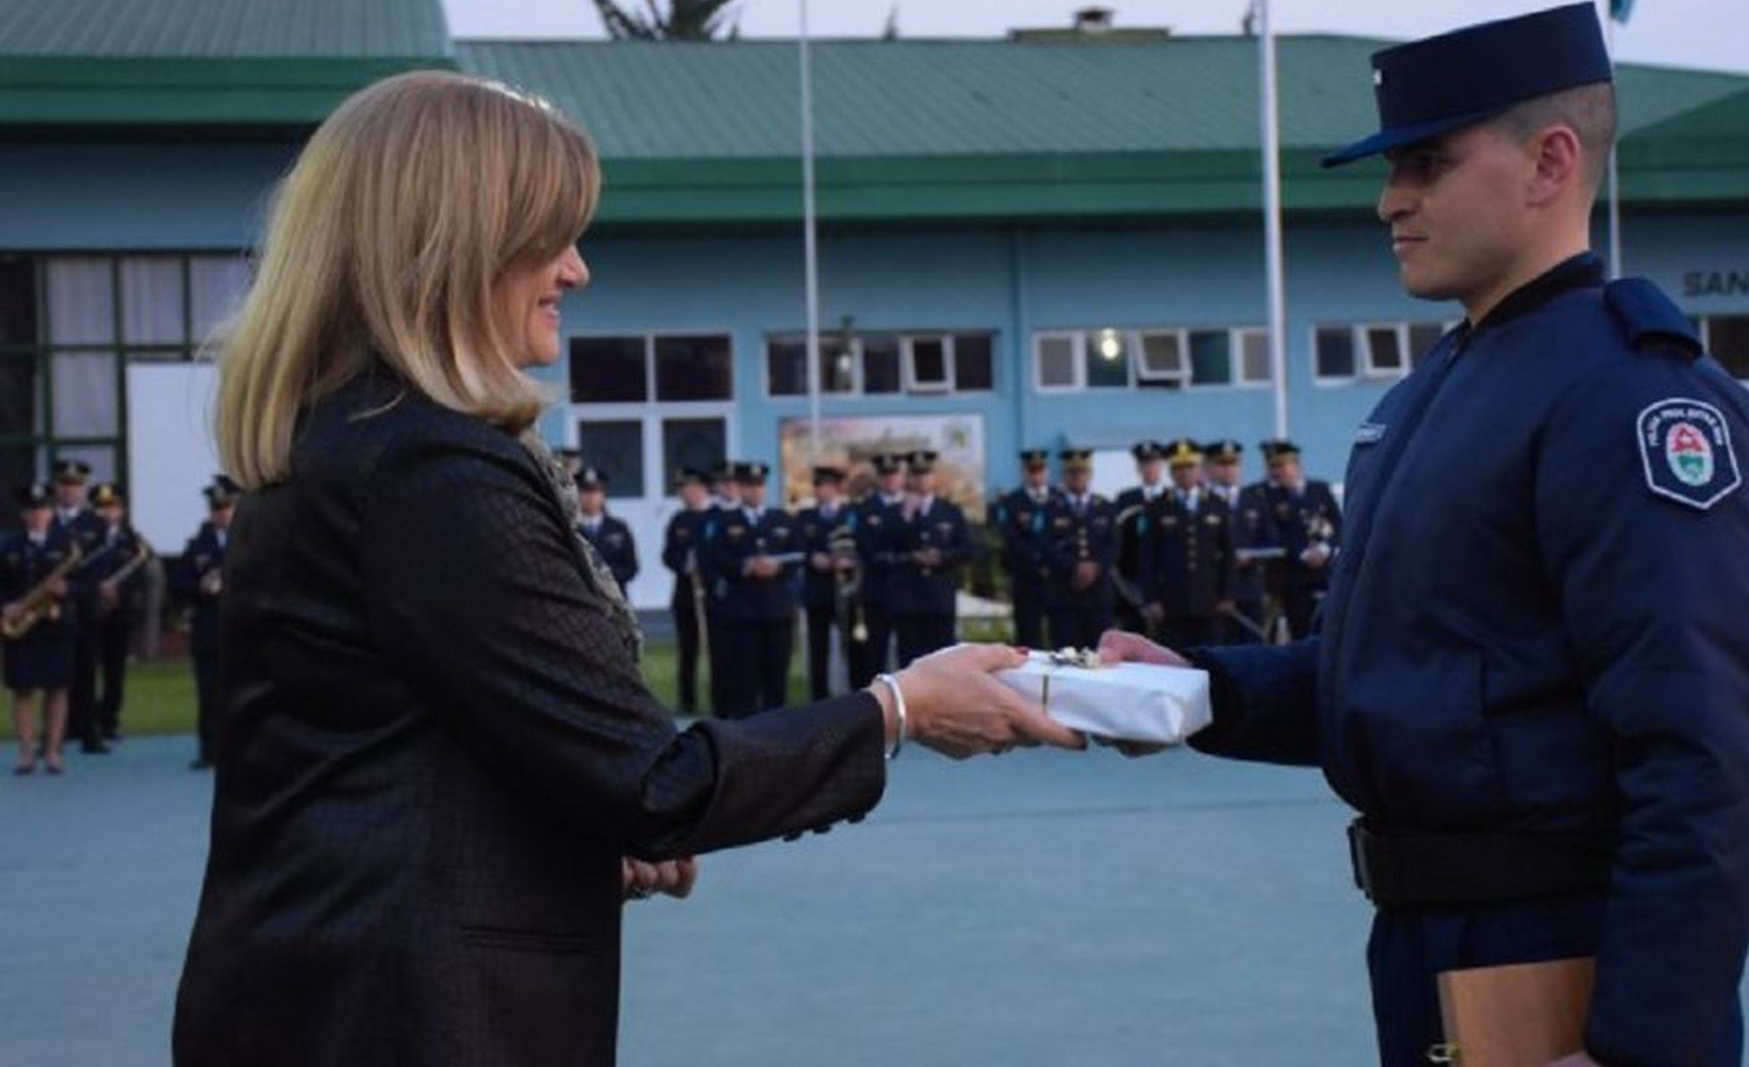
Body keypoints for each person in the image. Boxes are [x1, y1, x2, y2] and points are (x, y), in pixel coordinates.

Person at [171, 71, 1079, 1067]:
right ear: (452, 246)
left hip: (331, 986)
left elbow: (403, 753)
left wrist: (563, 837)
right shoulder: (427, 465)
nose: (577, 269)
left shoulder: (352, 439)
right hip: (406, 1013)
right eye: (549, 237)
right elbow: (653, 783)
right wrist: (901, 708)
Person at [1102, 3, 1749, 1066]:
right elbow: (1414, 676)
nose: (1391, 199)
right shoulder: (1443, 387)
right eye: (1394, 169)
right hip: (1435, 941)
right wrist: (1199, 689)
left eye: (1426, 164)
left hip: (1565, 951)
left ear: (1550, 161)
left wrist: (1641, 1043)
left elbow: (1711, 749)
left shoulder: (1628, 402)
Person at [704, 462, 801, 718]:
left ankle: (777, 728)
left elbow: (798, 554)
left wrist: (778, 567)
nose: (755, 491)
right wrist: (746, 567)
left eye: (759, 485)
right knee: (744, 678)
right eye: (749, 485)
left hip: (777, 610)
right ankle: (745, 730)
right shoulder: (725, 522)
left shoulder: (782, 520)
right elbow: (716, 558)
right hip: (743, 613)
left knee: (776, 677)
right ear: (740, 488)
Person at [2, 482, 76, 775]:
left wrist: (67, 589)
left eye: (43, 509)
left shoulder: (66, 545)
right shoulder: (10, 545)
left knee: (57, 688)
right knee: (23, 690)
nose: (38, 516)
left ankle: (53, 751)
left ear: (51, 512)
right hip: (22, 624)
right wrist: (6, 605)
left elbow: (85, 583)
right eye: (32, 510)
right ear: (24, 514)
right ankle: (26, 753)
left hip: (56, 625)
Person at [1138, 438, 1233, 651]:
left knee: (1210, 657)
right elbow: (1147, 558)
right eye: (1178, 468)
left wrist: (1227, 594)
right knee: (1173, 657)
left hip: (1209, 599)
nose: (1184, 473)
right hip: (1171, 601)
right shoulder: (1157, 507)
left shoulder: (1217, 504)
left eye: (1190, 467)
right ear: (1171, 471)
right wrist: (1151, 599)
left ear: (1200, 469)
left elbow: (1228, 554)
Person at [172, 476, 237, 771]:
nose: (221, 514)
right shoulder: (198, 545)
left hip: (242, 629)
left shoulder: (252, 539)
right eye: (216, 508)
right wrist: (200, 586)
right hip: (209, 630)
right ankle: (209, 750)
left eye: (226, 507)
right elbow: (178, 583)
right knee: (209, 694)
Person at [888, 450, 973, 666]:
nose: (921, 480)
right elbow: (886, 548)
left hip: (939, 599)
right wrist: (906, 518)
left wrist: (942, 557)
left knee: (943, 661)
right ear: (909, 479)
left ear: (933, 477)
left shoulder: (950, 511)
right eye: (916, 475)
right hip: (908, 600)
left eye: (925, 474)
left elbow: (966, 549)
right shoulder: (895, 512)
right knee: (909, 662)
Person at [1253, 440, 1342, 641]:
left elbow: (1338, 525)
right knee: (1300, 631)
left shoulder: (1319, 489)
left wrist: (1325, 549)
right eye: (1273, 467)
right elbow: (1272, 533)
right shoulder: (1266, 496)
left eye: (1281, 466)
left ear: (1295, 464)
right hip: (1292, 577)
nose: (1277, 472)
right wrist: (1302, 553)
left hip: (1324, 574)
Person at [49, 458, 109, 753]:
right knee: (54, 674)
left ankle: (89, 731)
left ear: (84, 489)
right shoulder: (45, 520)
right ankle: (55, 735)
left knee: (86, 671)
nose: (69, 490)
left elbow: (100, 570)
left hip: (84, 608)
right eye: (64, 484)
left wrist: (71, 588)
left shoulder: (96, 525)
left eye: (75, 485)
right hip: (50, 611)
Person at [85, 482, 149, 742]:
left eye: (112, 506)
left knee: (115, 669)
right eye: (101, 507)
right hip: (90, 610)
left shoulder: (130, 539)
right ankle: (85, 722)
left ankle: (109, 720)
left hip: (120, 612)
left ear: (121, 510)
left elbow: (140, 574)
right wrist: (96, 588)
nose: (106, 512)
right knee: (87, 669)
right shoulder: (86, 537)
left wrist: (118, 591)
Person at [1042, 448, 1118, 652]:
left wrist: (1096, 567)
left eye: (1081, 472)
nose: (1077, 477)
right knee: (1066, 656)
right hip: (1064, 597)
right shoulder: (1050, 508)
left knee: (1101, 656)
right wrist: (1074, 567)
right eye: (1071, 472)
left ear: (1089, 474)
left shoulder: (1105, 506)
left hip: (1099, 598)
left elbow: (1114, 546)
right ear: (1064, 476)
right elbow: (1046, 546)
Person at [796, 465, 857, 702]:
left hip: (846, 591)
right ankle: (819, 697)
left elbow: (861, 546)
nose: (821, 490)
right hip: (818, 591)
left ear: (837, 488)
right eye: (818, 485)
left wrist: (848, 561)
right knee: (818, 647)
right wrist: (813, 558)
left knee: (851, 646)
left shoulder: (851, 515)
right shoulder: (806, 517)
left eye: (826, 486)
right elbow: (798, 546)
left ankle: (854, 694)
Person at [1207, 440, 1274, 644]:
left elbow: (1270, 540)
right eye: (1222, 464)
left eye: (1233, 464)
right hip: (1213, 589)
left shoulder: (1255, 499)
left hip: (1249, 586)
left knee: (1252, 644)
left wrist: (1251, 556)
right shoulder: (1202, 501)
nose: (1229, 470)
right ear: (1209, 468)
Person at [660, 468, 713, 713]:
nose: (684, 493)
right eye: (682, 489)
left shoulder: (716, 516)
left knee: (717, 649)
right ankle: (687, 700)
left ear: (702, 488)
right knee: (687, 650)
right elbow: (668, 555)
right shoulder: (679, 520)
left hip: (712, 594)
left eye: (688, 488)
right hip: (685, 594)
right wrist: (684, 564)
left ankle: (720, 696)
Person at [994, 449, 1058, 650]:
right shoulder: (1011, 502)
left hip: (1057, 580)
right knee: (1028, 637)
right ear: (1024, 472)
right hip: (1026, 579)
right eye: (1032, 471)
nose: (1036, 476)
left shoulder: (1059, 498)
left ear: (1047, 471)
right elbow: (1011, 539)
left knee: (1062, 636)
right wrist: (1036, 561)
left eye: (1040, 470)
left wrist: (1053, 561)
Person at [851, 452, 906, 682]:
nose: (890, 480)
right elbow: (864, 546)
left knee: (910, 655)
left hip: (908, 591)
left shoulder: (912, 506)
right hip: (877, 589)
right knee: (875, 653)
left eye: (894, 474)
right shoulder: (864, 509)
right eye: (885, 475)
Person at [1111, 440, 1168, 634]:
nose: (1149, 468)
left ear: (1161, 465)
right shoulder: (1126, 499)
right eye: (1144, 464)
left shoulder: (1170, 498)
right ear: (1138, 468)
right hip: (1132, 582)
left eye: (1153, 463)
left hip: (1165, 582)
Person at [574, 466, 638, 598]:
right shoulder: (571, 528)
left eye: (595, 491)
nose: (590, 497)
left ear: (603, 495)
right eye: (585, 491)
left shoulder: (618, 528)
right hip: (582, 597)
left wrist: (605, 575)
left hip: (614, 598)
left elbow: (631, 568)